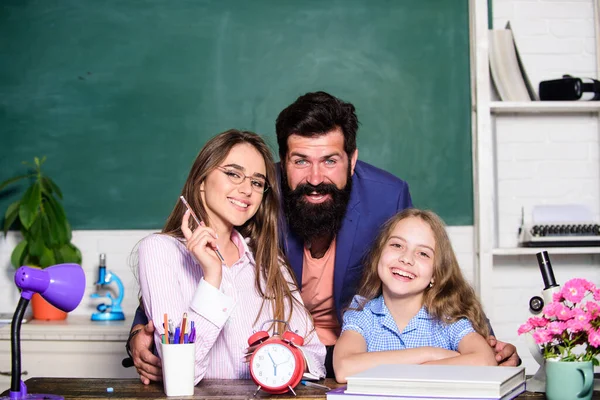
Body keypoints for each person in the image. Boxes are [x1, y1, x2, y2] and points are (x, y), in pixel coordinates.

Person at [127, 92, 519, 383]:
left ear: (352, 159)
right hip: (263, 359)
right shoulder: (258, 196)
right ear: (283, 162)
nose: (315, 178)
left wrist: (486, 342)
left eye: (330, 160)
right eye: (301, 161)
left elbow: (429, 262)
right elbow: (181, 258)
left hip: (362, 353)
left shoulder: (388, 196)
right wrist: (140, 335)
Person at [136, 129, 326, 384]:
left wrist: (282, 357)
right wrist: (212, 278)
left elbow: (315, 357)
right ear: (201, 180)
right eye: (233, 174)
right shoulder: (160, 251)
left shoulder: (270, 263)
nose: (246, 189)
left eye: (257, 182)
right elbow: (181, 375)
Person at [333, 209, 497, 382]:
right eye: (397, 245)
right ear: (379, 254)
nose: (406, 259)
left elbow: (485, 362)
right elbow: (344, 368)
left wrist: (410, 370)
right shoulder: (362, 315)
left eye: (423, 253)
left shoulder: (448, 319)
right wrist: (430, 353)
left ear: (435, 273)